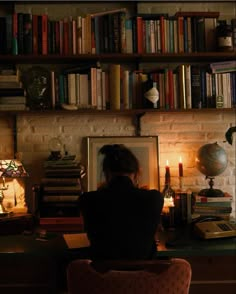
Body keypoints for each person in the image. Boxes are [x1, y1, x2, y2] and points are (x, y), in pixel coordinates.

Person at [79, 144, 164, 260]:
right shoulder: (155, 198)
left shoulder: (88, 200)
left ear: (106, 174)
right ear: (135, 174)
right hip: (143, 275)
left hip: (101, 276)